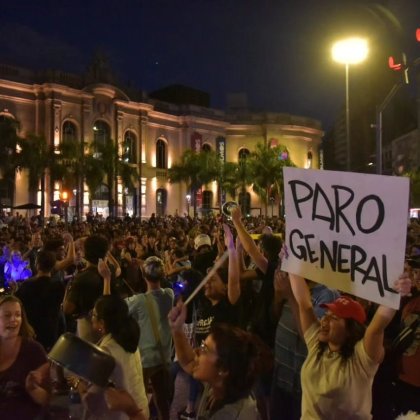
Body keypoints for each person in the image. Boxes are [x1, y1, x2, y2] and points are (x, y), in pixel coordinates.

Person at [288, 270, 412, 419]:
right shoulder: (317, 344)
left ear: (350, 330)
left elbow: (377, 327)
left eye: (334, 318)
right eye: (326, 315)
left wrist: (396, 292)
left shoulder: (361, 359)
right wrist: (291, 263)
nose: (324, 321)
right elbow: (304, 304)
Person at [168, 303, 269, 419]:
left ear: (223, 368)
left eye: (204, 349)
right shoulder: (224, 385)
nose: (196, 352)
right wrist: (176, 329)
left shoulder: (231, 415)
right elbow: (189, 362)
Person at [72, 293, 149, 420]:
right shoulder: (127, 339)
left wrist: (77, 382)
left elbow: (90, 400)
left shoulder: (106, 351)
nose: (92, 317)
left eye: (94, 314)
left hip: (124, 414)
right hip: (140, 408)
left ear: (102, 323)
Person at [126, 256, 174, 420]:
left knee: (140, 398)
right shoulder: (169, 294)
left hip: (145, 358)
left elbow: (118, 309)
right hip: (164, 356)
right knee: (162, 400)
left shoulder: (138, 300)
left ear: (144, 276)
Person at [0, 295, 50, 419]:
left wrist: (32, 388)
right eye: (7, 315)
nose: (14, 319)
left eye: (18, 315)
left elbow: (47, 400)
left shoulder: (33, 350)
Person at [15, 250, 65, 350]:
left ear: (37, 265)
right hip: (51, 334)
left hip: (32, 334)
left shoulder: (27, 286)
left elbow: (16, 302)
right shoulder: (59, 286)